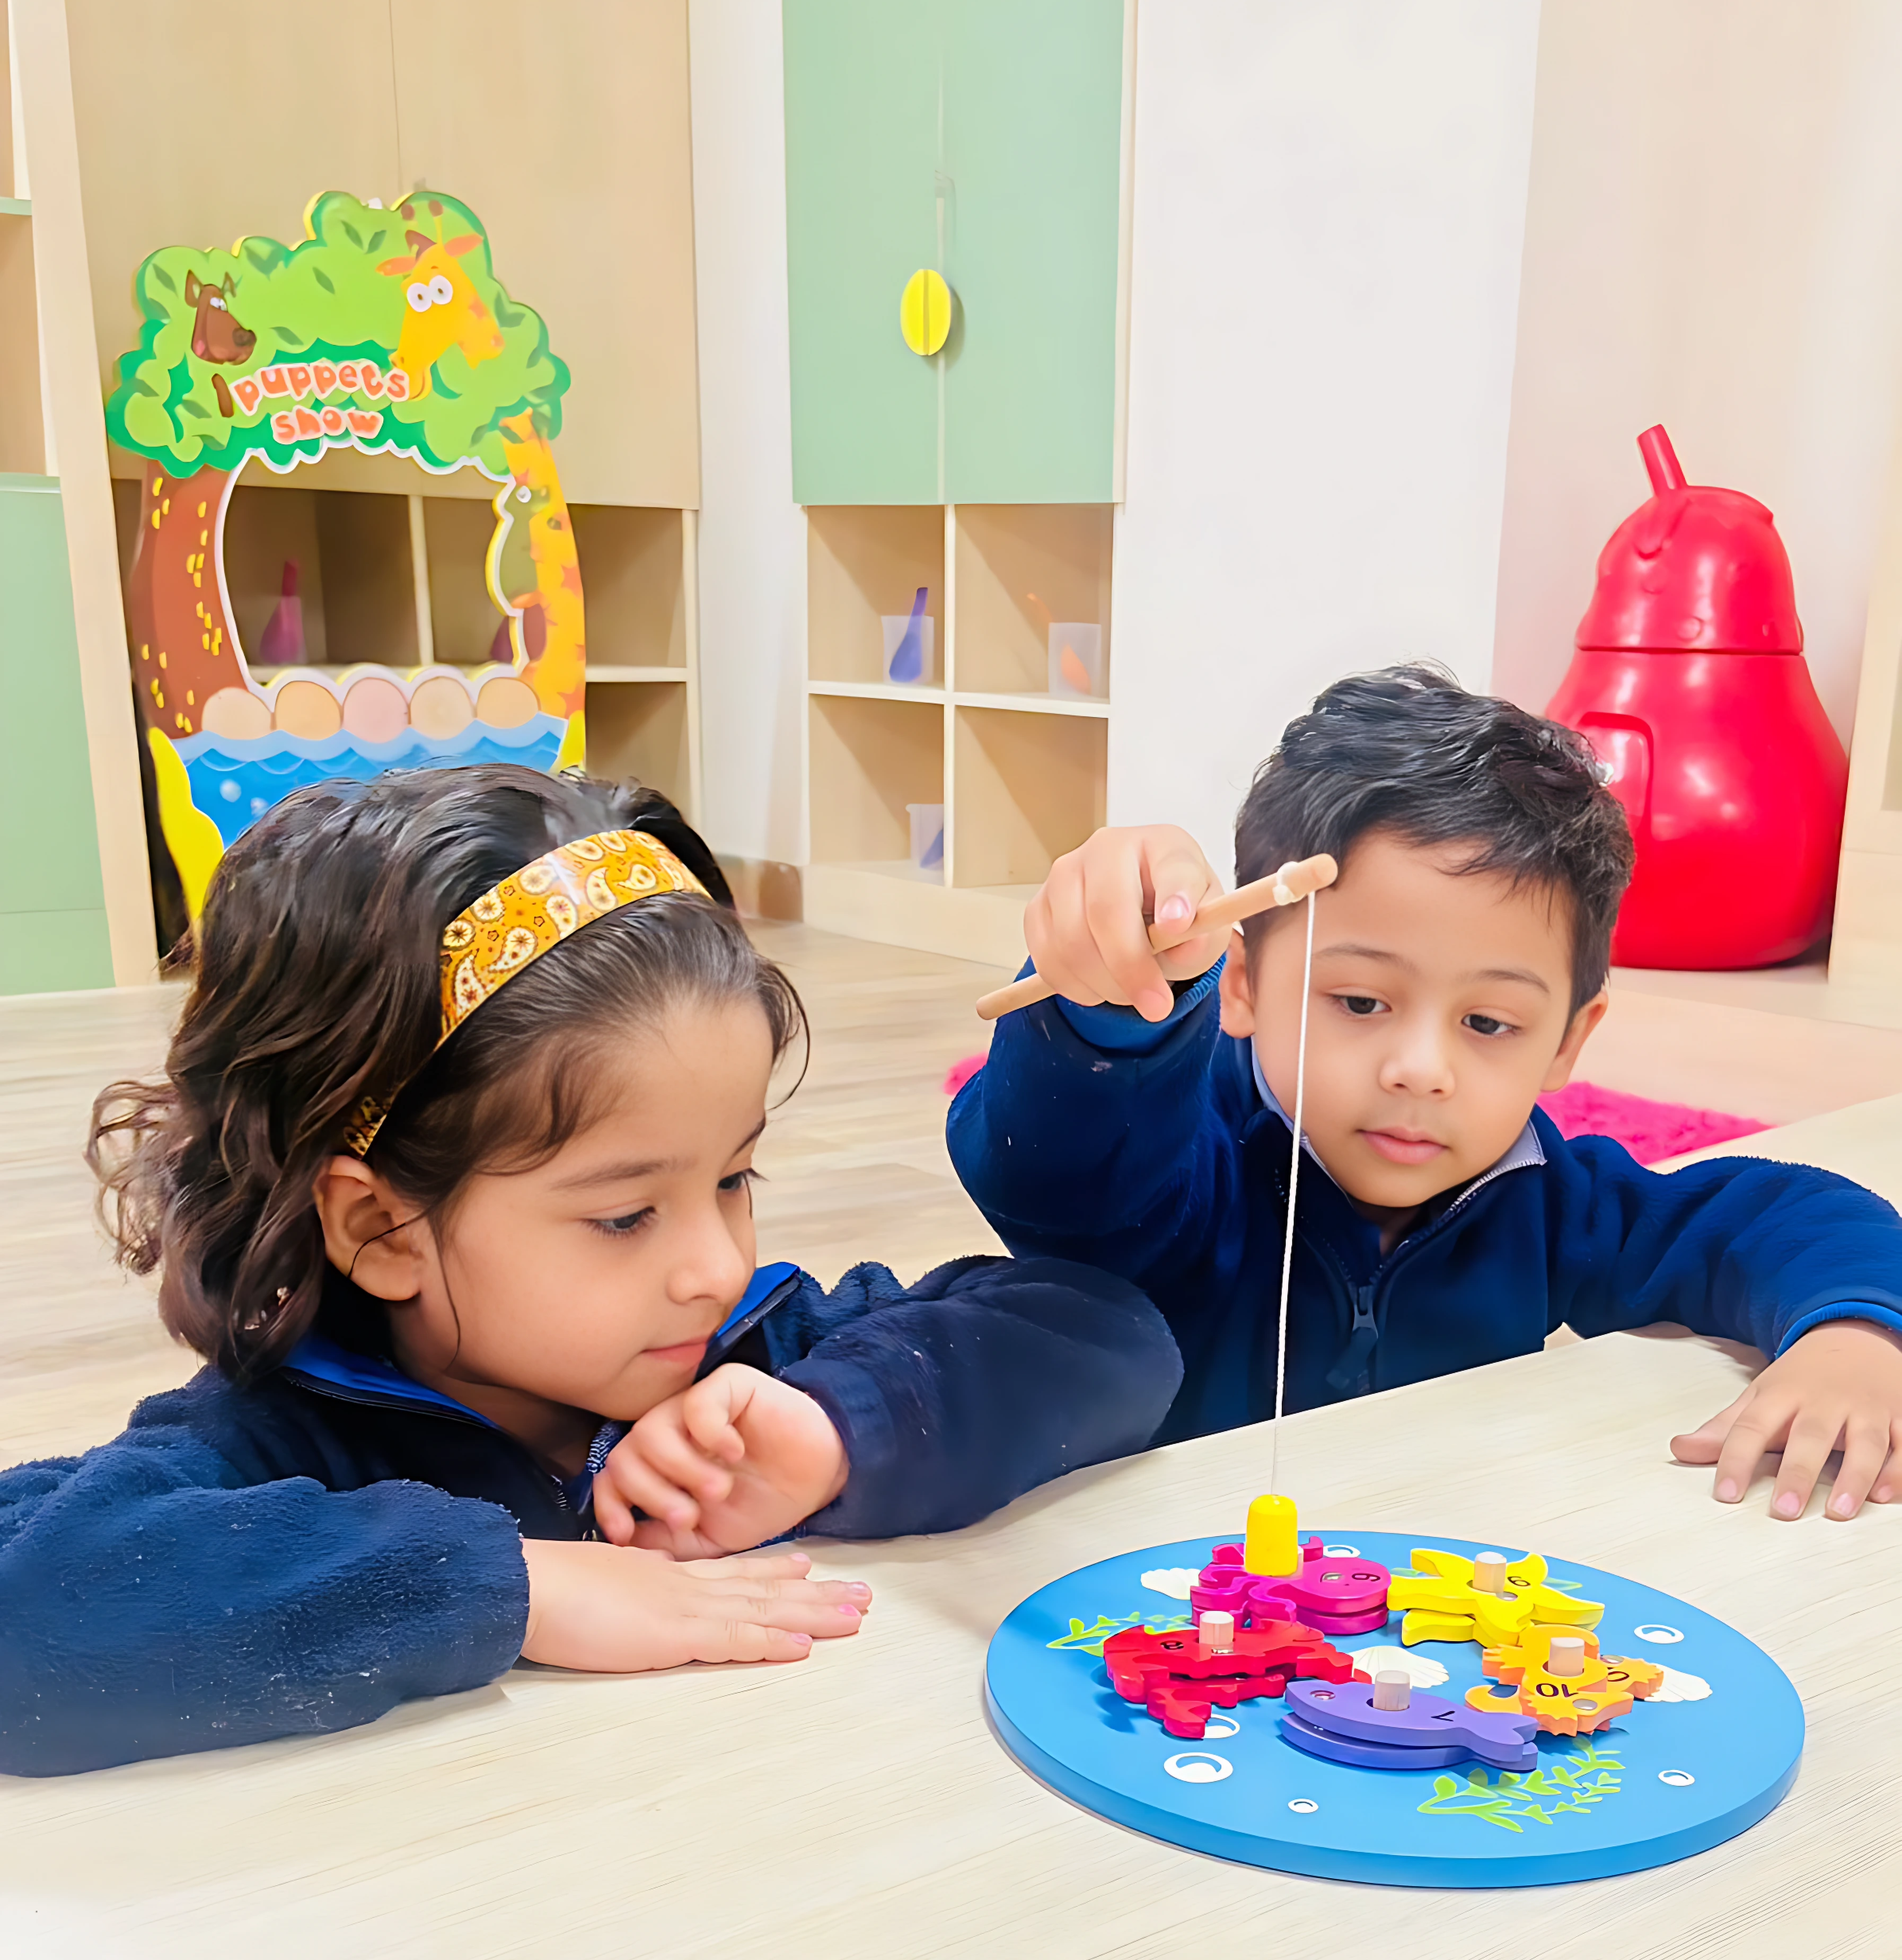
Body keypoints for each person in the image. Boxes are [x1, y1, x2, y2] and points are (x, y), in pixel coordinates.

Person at [0, 768, 1179, 1776]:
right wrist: (514, 1586)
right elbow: (31, 1608)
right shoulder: (274, 1445)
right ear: (381, 1229)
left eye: (734, 1180)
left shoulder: (759, 1366)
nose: (716, 1268)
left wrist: (833, 1428)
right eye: (625, 1217)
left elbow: (1110, 1335)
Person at [948, 665, 1902, 1520]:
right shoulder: (1187, 1158)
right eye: (1361, 1000)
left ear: (1570, 1040)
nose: (1421, 1068)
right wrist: (1108, 1014)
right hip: (1147, 1612)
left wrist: (1857, 1331)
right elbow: (1052, 1171)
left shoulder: (1544, 1193)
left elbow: (1768, 1213)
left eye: (1489, 1025)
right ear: (1241, 984)